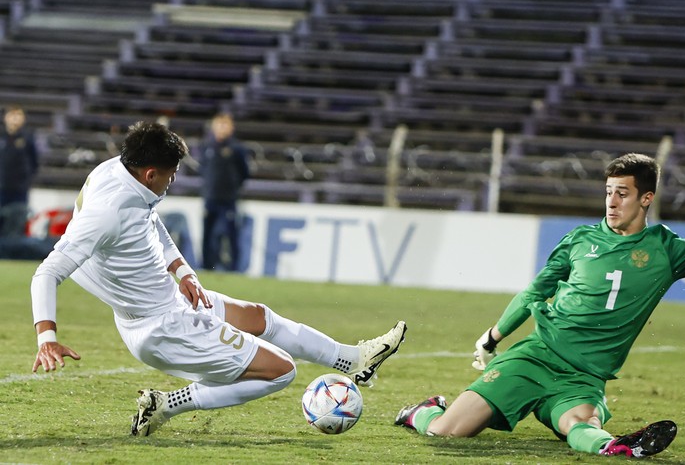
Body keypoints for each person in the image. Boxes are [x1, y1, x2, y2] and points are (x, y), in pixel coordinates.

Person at [30, 121, 407, 437]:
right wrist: (47, 338)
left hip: (168, 301)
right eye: (171, 175)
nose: (172, 181)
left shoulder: (118, 171)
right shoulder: (108, 212)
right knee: (281, 371)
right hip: (163, 326)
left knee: (259, 316)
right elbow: (47, 272)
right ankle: (166, 405)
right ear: (150, 173)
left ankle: (353, 360)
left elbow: (150, 221)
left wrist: (182, 271)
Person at [395, 153, 685, 458]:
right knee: (446, 431)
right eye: (608, 192)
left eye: (622, 193)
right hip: (536, 357)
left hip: (585, 377)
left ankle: (614, 446)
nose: (612, 202)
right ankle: (423, 412)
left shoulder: (667, 249)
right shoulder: (579, 241)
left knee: (580, 422)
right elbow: (533, 293)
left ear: (646, 199)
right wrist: (492, 338)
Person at [199, 112, 250, 271]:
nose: (222, 128)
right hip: (210, 198)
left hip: (229, 199)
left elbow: (245, 172)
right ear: (213, 127)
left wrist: (233, 187)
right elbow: (203, 169)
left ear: (231, 128)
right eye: (219, 125)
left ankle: (234, 268)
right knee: (207, 234)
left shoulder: (237, 148)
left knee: (231, 234)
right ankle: (207, 266)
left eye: (225, 125)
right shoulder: (206, 146)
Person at [0, 106, 38, 233]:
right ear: (5, 117)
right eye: (12, 114)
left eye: (18, 115)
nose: (15, 118)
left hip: (19, 190)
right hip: (1, 188)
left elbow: (34, 162)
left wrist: (26, 181)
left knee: (17, 223)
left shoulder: (28, 138)